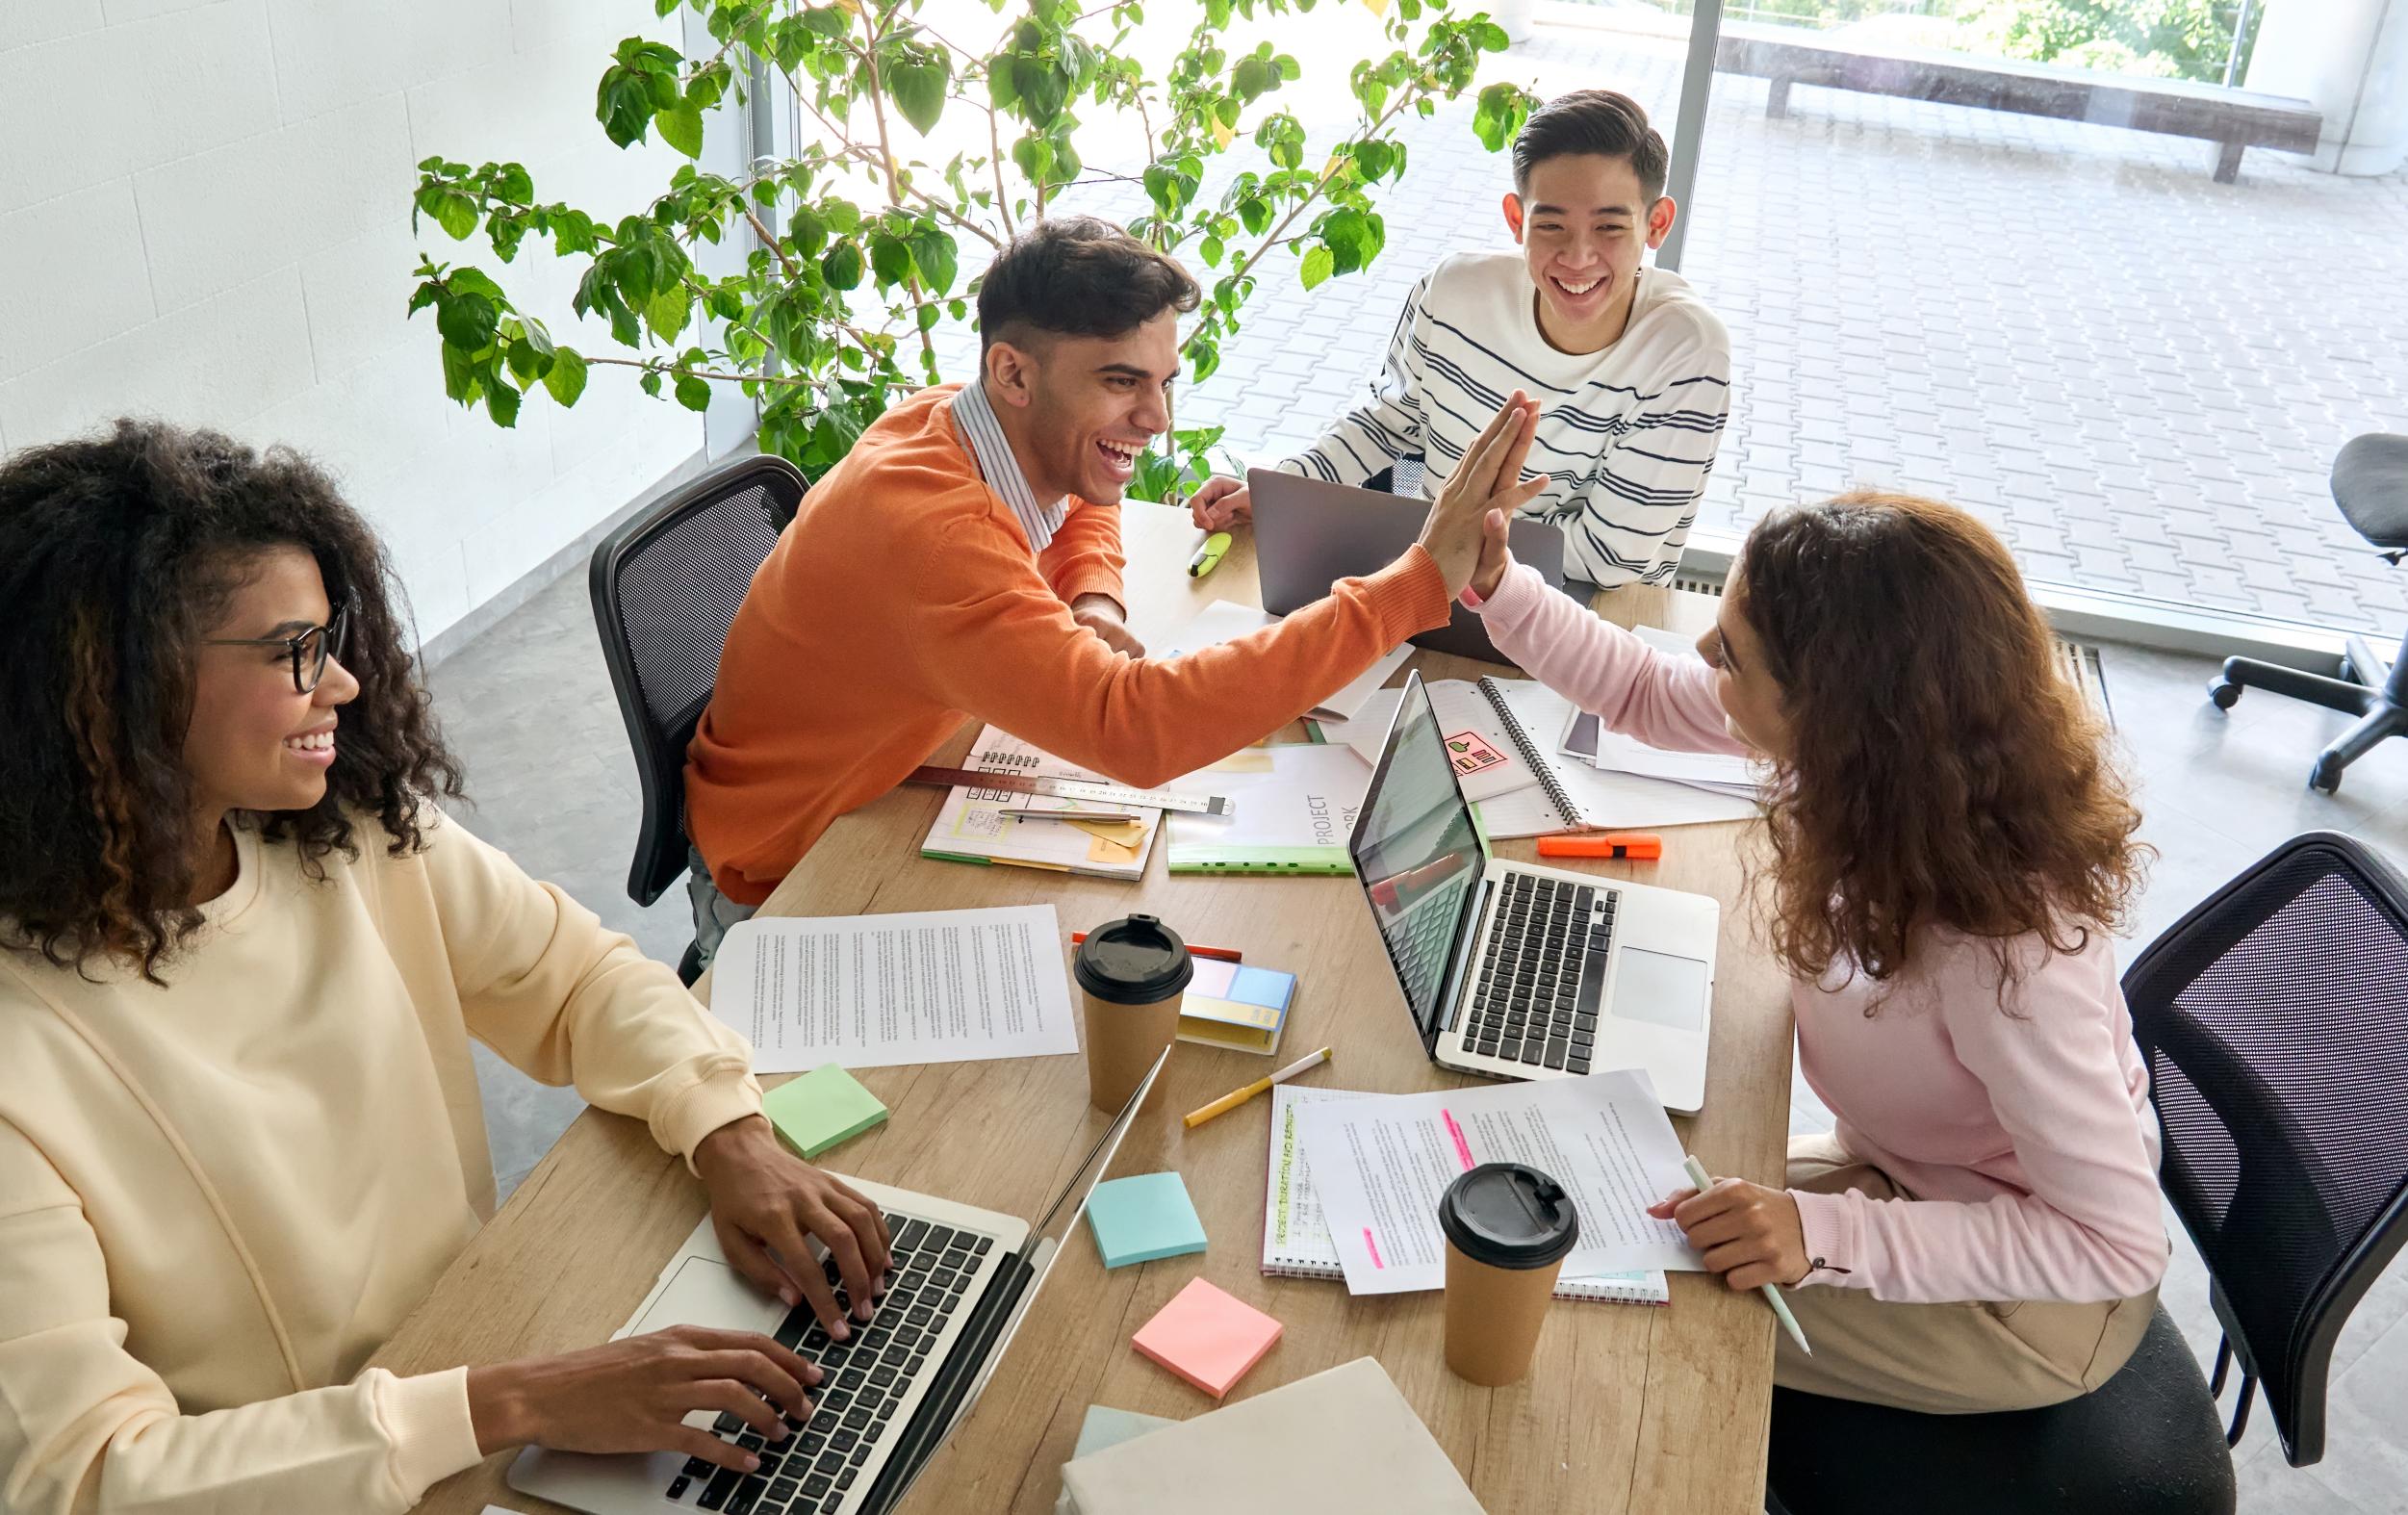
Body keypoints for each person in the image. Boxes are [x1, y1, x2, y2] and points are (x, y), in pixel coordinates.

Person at [0, 422, 896, 1512]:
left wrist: (728, 1129)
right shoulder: (22, 1053)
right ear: (119, 685)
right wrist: (511, 1403)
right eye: (293, 651)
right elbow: (81, 1476)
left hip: (479, 1361)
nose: (341, 681)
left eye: (332, 638)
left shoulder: (351, 833)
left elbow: (579, 977)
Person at [1461, 491, 2168, 1412]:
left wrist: (1822, 1233)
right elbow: (1642, 691)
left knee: (1612, 1306)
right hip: (1910, 1180)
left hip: (2036, 1301)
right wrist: (1499, 585)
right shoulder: (1879, 772)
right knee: (1597, 1220)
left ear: (1832, 711)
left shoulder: (2006, 956)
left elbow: (2115, 1244)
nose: (1702, 655)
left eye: (1731, 653)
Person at [683, 216, 1543, 952]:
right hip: (785, 877)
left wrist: (1090, 596)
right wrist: (1410, 587)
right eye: (1121, 382)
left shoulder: (958, 419)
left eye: (1164, 382)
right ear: (1013, 374)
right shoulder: (936, 537)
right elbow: (1136, 730)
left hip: (889, 785)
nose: (1157, 418)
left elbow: (1081, 492)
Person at [1187, 88, 1732, 590]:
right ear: (1516, 219)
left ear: (1656, 225)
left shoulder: (1687, 350)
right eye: (1551, 225)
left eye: (1610, 227)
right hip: (1435, 582)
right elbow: (1389, 424)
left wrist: (1443, 542)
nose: (1578, 256)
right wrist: (1282, 490)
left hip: (1581, 611)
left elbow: (1610, 559)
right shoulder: (1452, 290)